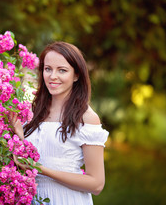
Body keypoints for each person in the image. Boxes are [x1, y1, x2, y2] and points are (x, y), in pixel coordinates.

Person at [10, 41, 109, 205]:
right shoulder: (33, 112)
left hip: (67, 199)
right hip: (33, 199)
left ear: (76, 75)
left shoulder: (86, 117)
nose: (52, 76)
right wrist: (21, 138)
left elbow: (96, 184)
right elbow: (29, 160)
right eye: (48, 69)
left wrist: (41, 169)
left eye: (62, 70)